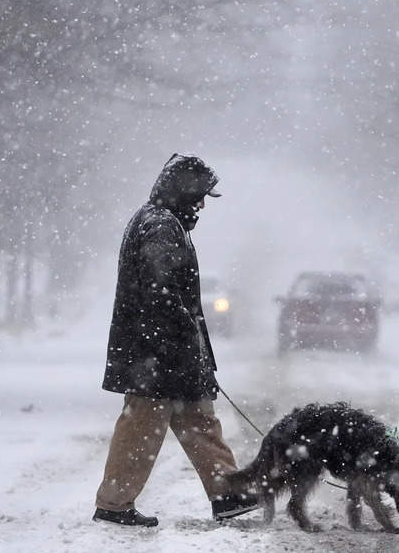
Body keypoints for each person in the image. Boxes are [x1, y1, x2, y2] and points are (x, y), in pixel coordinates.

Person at [93, 154, 259, 527]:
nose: (201, 205)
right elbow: (161, 292)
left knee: (199, 420)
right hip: (155, 353)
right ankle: (114, 505)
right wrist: (185, 339)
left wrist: (194, 350)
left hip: (168, 351)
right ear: (181, 191)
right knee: (142, 428)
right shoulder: (159, 226)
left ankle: (227, 494)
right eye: (199, 196)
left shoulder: (166, 222)